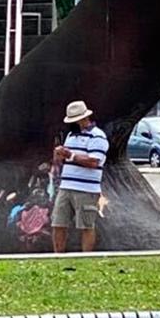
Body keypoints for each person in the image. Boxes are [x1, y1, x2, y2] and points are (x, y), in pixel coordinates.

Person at [51, 100, 108, 253]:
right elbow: (66, 160)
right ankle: (58, 255)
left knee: (86, 225)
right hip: (66, 186)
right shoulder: (70, 135)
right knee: (58, 222)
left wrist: (70, 155)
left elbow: (94, 161)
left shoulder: (97, 136)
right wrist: (59, 155)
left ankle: (86, 257)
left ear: (83, 118)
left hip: (86, 188)